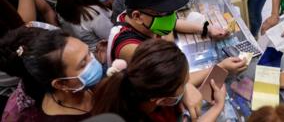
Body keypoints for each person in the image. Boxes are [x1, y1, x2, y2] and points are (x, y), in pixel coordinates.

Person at [108, 0, 232, 65]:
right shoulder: (130, 48)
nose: (171, 17)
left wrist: (208, 29)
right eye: (164, 13)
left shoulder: (137, 16)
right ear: (137, 16)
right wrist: (222, 67)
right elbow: (173, 77)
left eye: (171, 12)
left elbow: (173, 23)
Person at [92, 39, 226, 122]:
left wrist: (219, 67)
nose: (188, 85)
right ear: (164, 100)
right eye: (184, 84)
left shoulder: (132, 84)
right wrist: (218, 106)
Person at [0, 26, 103, 121]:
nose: (93, 61)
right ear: (61, 84)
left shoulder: (81, 85)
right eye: (83, 63)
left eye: (88, 52)